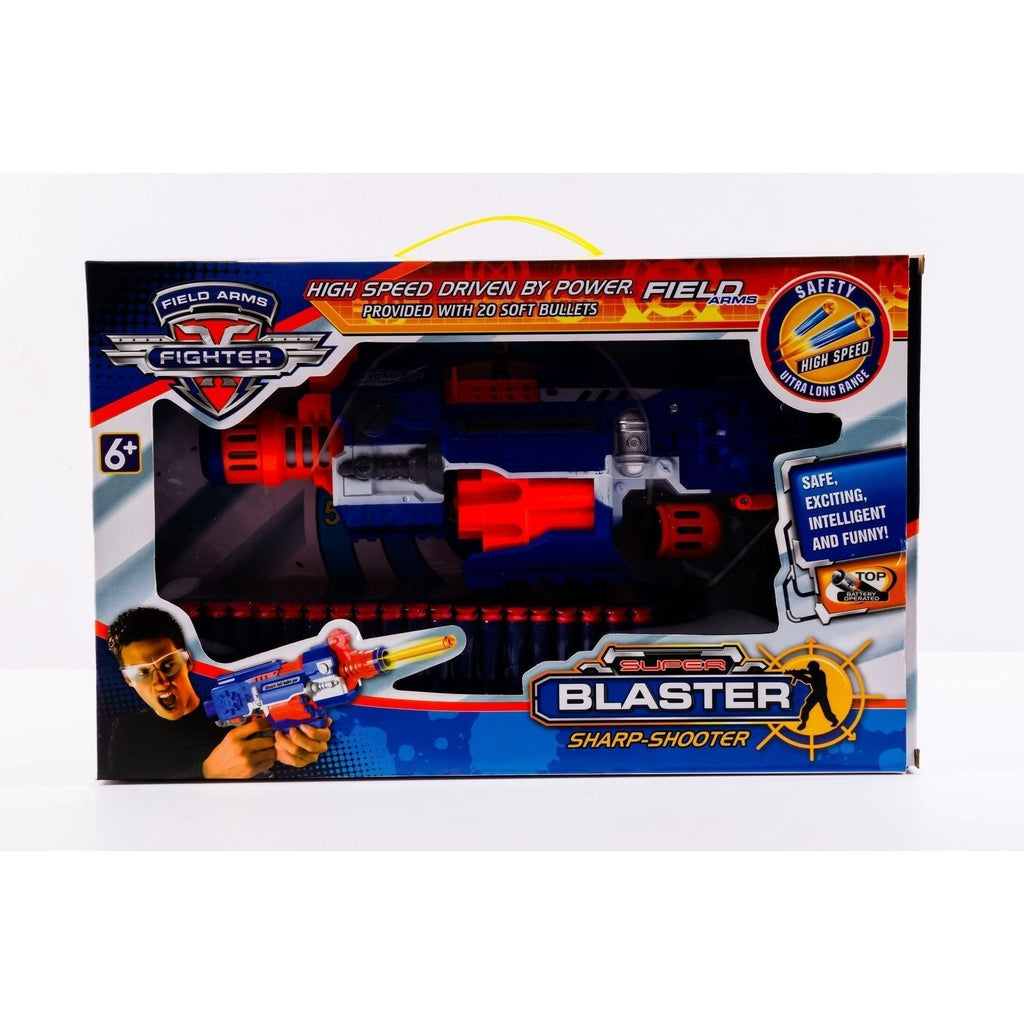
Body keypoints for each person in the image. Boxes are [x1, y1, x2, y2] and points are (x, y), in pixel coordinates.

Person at [105, 606, 332, 780]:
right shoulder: (128, 732)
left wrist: (294, 753)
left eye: (168, 665)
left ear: (187, 662)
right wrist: (206, 774)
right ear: (128, 680)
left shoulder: (240, 714)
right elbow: (126, 803)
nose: (160, 682)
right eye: (142, 673)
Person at [790, 660, 840, 731]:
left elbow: (809, 681)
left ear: (815, 668)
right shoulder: (815, 673)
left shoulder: (821, 674)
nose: (809, 670)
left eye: (810, 668)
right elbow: (807, 676)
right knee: (805, 709)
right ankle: (803, 722)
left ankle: (834, 721)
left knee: (826, 712)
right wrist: (798, 674)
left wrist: (800, 676)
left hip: (821, 694)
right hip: (816, 693)